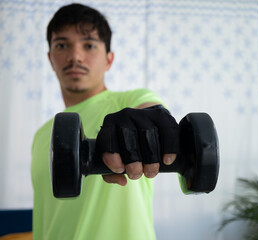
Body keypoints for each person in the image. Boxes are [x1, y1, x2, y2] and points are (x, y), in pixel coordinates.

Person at [31, 3, 178, 239]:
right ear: (50, 59)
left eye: (89, 45)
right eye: (62, 45)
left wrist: (142, 122)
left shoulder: (130, 101)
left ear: (109, 59)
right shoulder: (42, 135)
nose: (75, 56)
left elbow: (152, 114)